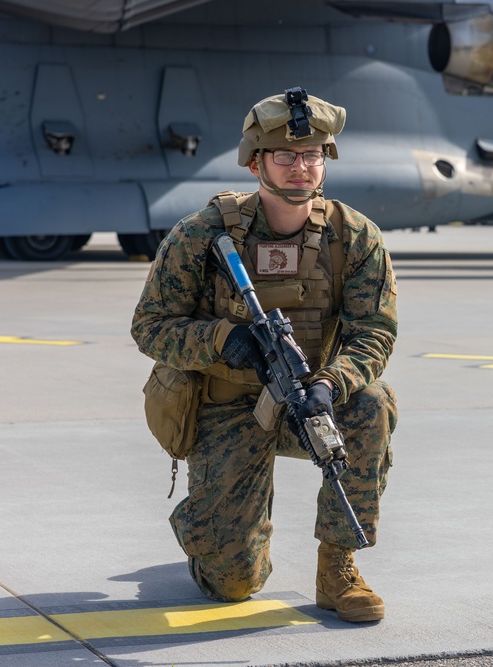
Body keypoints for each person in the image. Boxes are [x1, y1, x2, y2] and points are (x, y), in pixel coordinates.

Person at [130, 87, 397, 623]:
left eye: (312, 156)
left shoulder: (354, 235)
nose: (302, 168)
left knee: (371, 405)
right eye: (286, 156)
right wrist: (224, 340)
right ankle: (215, 533)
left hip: (307, 401)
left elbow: (374, 331)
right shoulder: (202, 235)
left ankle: (337, 566)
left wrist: (330, 384)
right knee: (233, 584)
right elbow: (150, 326)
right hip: (225, 408)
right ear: (256, 163)